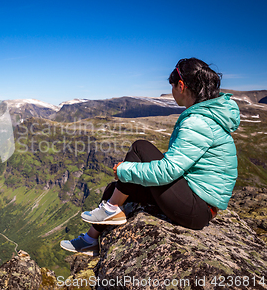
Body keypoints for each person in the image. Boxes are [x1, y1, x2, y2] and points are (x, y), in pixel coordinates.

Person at [60, 58, 240, 256]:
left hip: (198, 208)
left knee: (140, 148)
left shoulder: (198, 121)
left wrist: (124, 170)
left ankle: (110, 210)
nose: (172, 91)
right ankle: (91, 239)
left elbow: (168, 171)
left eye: (172, 86)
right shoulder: (205, 116)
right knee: (115, 189)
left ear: (180, 85)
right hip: (194, 198)